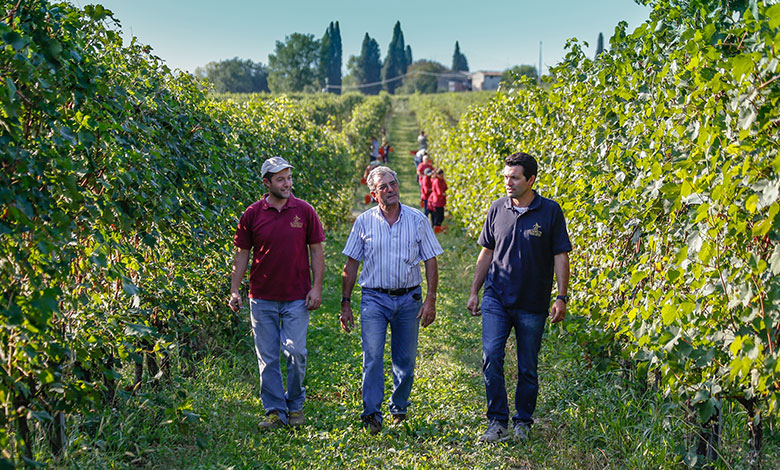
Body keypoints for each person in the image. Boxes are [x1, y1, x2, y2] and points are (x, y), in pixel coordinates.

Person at [466, 152, 571, 443]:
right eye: (505, 177)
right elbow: (486, 250)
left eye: (514, 177)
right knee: (491, 357)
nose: (508, 182)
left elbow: (560, 255)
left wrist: (561, 296)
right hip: (496, 298)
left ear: (531, 180)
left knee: (527, 366)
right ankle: (497, 421)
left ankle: (523, 421)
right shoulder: (497, 208)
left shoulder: (550, 211)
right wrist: (475, 290)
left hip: (533, 303)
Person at [339, 166, 443, 435]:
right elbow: (351, 264)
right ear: (374, 194)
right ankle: (372, 413)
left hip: (409, 298)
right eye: (383, 186)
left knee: (405, 360)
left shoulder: (417, 219)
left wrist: (430, 299)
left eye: (393, 183)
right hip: (374, 298)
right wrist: (346, 302)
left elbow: (430, 259)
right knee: (372, 356)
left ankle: (398, 407)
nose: (390, 189)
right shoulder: (364, 222)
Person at [229, 156, 326, 431]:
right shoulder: (252, 214)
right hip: (262, 298)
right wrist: (235, 290)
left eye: (289, 178)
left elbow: (316, 251)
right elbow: (242, 254)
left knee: (297, 353)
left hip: (296, 296)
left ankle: (294, 404)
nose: (287, 184)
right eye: (280, 179)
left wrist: (316, 287)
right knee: (268, 357)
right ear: (267, 182)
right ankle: (274, 410)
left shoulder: (304, 211)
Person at [428, 168, 447, 233]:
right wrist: (446, 194)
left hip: (441, 202)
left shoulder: (442, 180)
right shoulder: (436, 182)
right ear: (437, 175)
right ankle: (436, 230)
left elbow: (446, 188)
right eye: (441, 175)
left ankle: (437, 229)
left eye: (443, 175)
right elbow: (439, 193)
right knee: (438, 216)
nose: (442, 177)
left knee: (441, 216)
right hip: (437, 202)